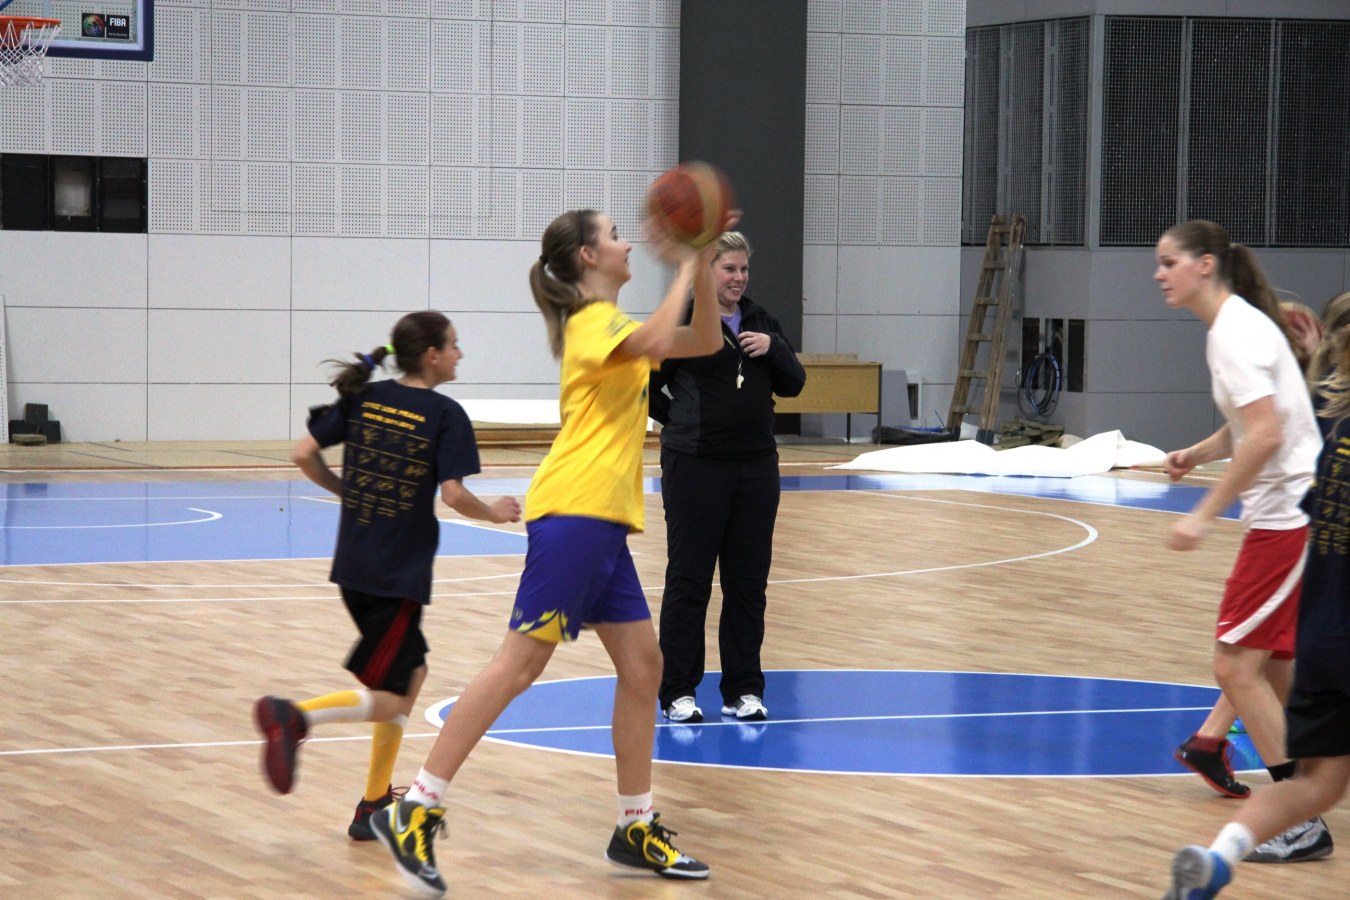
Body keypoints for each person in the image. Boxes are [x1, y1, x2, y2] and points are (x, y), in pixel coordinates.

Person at [372, 207, 730, 896]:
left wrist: (704, 266)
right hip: (574, 515)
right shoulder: (592, 324)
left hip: (602, 522)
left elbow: (706, 339)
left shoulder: (613, 323)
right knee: (518, 666)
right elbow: (660, 334)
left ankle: (634, 825)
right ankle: (417, 805)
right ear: (589, 258)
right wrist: (688, 258)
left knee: (644, 667)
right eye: (615, 235)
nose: (627, 244)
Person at [252, 311, 521, 840]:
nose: (460, 354)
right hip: (396, 574)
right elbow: (453, 495)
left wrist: (345, 491)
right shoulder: (444, 414)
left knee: (411, 674)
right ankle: (295, 716)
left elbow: (303, 453)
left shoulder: (365, 397)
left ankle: (373, 804)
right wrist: (495, 513)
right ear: (432, 355)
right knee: (395, 695)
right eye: (455, 345)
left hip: (353, 565)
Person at [1162, 293, 1350, 898]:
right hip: (1312, 563)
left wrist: (1203, 511)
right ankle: (1231, 762)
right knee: (1265, 663)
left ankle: (1255, 835)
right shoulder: (1315, 398)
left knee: (1243, 666)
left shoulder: (1318, 403)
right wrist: (1198, 456)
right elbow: (1253, 429)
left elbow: (1264, 433)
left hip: (1299, 555)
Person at [648, 230, 805, 724]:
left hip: (756, 469)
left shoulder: (761, 321)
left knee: (748, 584)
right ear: (706, 272)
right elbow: (647, 388)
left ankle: (743, 690)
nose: (739, 278)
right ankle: (678, 691)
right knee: (689, 579)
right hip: (694, 466)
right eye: (729, 269)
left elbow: (795, 384)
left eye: (744, 269)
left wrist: (774, 348)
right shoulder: (681, 323)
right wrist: (683, 423)